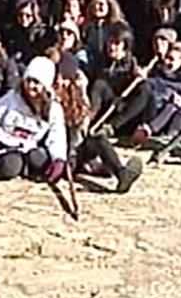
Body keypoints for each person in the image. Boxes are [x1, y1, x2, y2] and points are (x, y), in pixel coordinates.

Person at [0, 56, 68, 182]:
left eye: (36, 83)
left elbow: (57, 136)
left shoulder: (53, 109)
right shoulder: (12, 97)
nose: (31, 86)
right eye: (29, 81)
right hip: (2, 141)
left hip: (27, 148)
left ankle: (22, 169)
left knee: (23, 163)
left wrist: (58, 158)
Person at [55, 53, 143, 193]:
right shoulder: (48, 97)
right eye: (58, 78)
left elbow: (80, 126)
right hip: (59, 154)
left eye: (65, 79)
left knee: (98, 138)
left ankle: (121, 174)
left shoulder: (76, 94)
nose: (61, 82)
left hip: (76, 149)